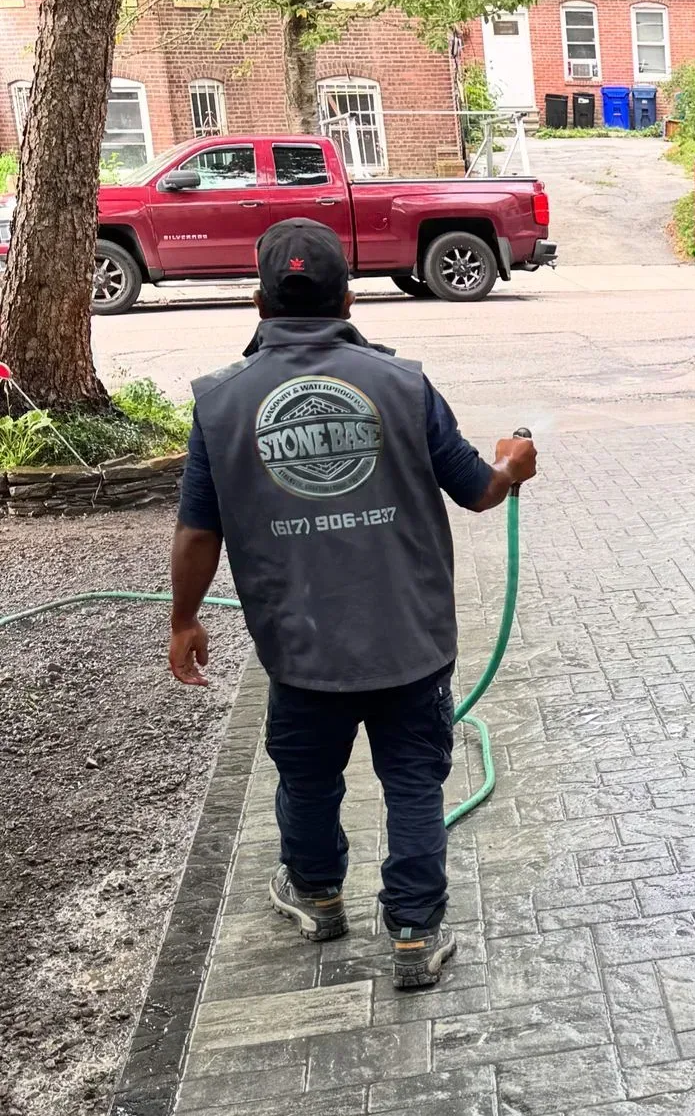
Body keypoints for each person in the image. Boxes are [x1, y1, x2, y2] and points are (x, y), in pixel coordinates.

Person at [169, 219, 537, 991]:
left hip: (301, 646)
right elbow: (478, 491)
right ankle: (413, 933)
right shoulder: (402, 384)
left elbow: (198, 530)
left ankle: (317, 896)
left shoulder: (220, 402)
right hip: (410, 639)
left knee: (308, 780)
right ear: (345, 295)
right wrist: (511, 464)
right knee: (412, 783)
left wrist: (184, 619)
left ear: (257, 300)